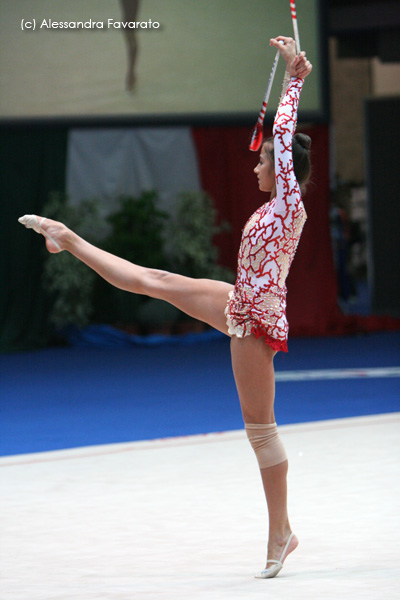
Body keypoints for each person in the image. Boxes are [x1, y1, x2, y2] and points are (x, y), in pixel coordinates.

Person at [19, 36, 312, 579]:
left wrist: (296, 77)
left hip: (256, 317)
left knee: (262, 431)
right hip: (238, 300)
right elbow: (277, 145)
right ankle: (68, 238)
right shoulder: (273, 204)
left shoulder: (290, 202)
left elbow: (284, 134)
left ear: (285, 169)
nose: (257, 169)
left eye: (266, 162)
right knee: (153, 280)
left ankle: (282, 530)